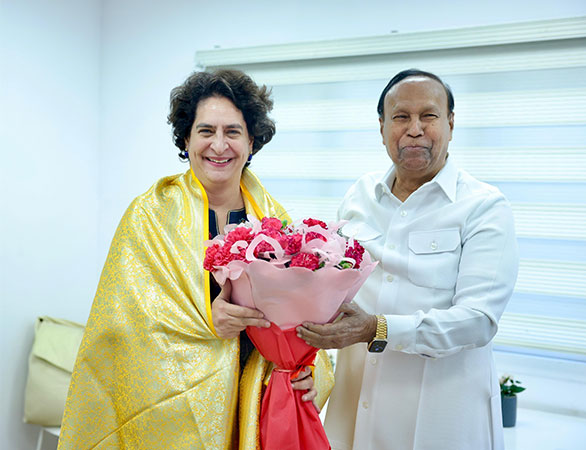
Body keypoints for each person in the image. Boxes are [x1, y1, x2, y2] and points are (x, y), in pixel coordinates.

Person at [59, 69, 333, 449]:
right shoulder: (149, 215)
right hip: (173, 414)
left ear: (251, 142)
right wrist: (209, 324)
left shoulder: (276, 221)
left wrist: (307, 370)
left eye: (232, 132)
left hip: (254, 405)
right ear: (185, 140)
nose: (219, 145)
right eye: (206, 131)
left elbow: (302, 323)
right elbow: (125, 331)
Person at [297, 69, 519, 450]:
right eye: (401, 117)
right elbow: (332, 287)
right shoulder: (359, 196)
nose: (414, 129)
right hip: (354, 407)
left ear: (450, 123)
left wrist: (376, 329)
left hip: (441, 415)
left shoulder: (484, 206)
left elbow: (479, 321)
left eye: (428, 116)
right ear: (382, 127)